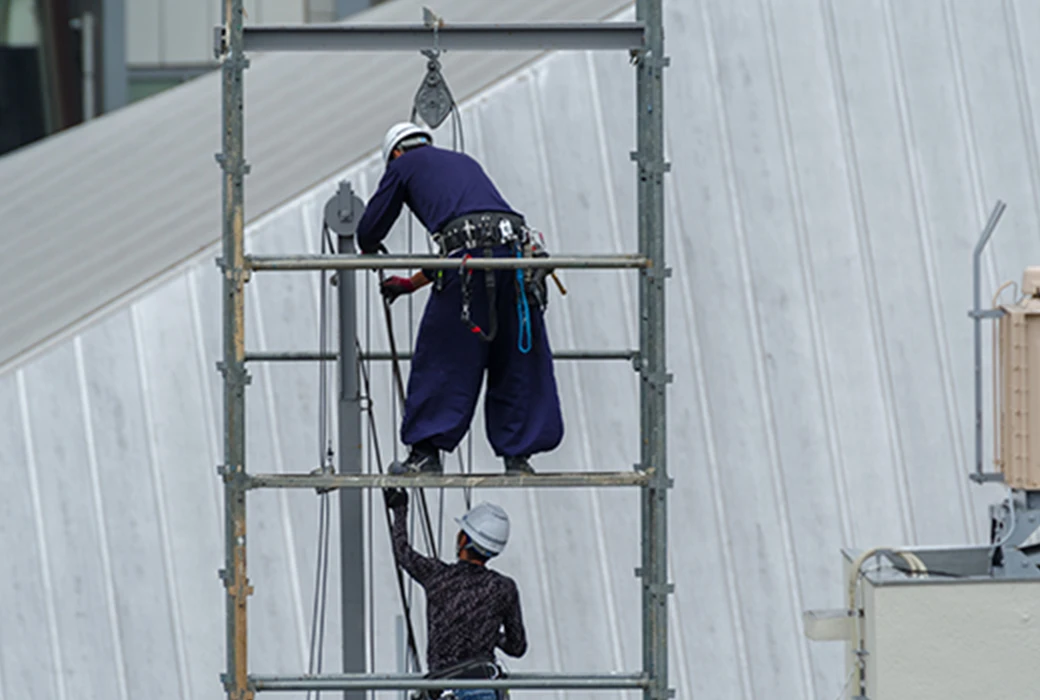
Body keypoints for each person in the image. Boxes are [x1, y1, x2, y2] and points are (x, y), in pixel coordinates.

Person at [357, 122, 564, 475]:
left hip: (469, 260)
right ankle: (519, 456)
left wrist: (368, 244)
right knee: (514, 353)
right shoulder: (462, 161)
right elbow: (469, 245)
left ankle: (425, 453)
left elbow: (371, 229)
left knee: (445, 351)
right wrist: (410, 284)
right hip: (512, 256)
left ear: (395, 152)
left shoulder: (403, 165)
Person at [384, 488, 527, 699]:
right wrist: (490, 634)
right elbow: (517, 647)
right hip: (484, 687)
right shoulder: (503, 588)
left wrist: (400, 509)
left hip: (444, 688)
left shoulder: (437, 576)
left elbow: (403, 552)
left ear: (464, 540)